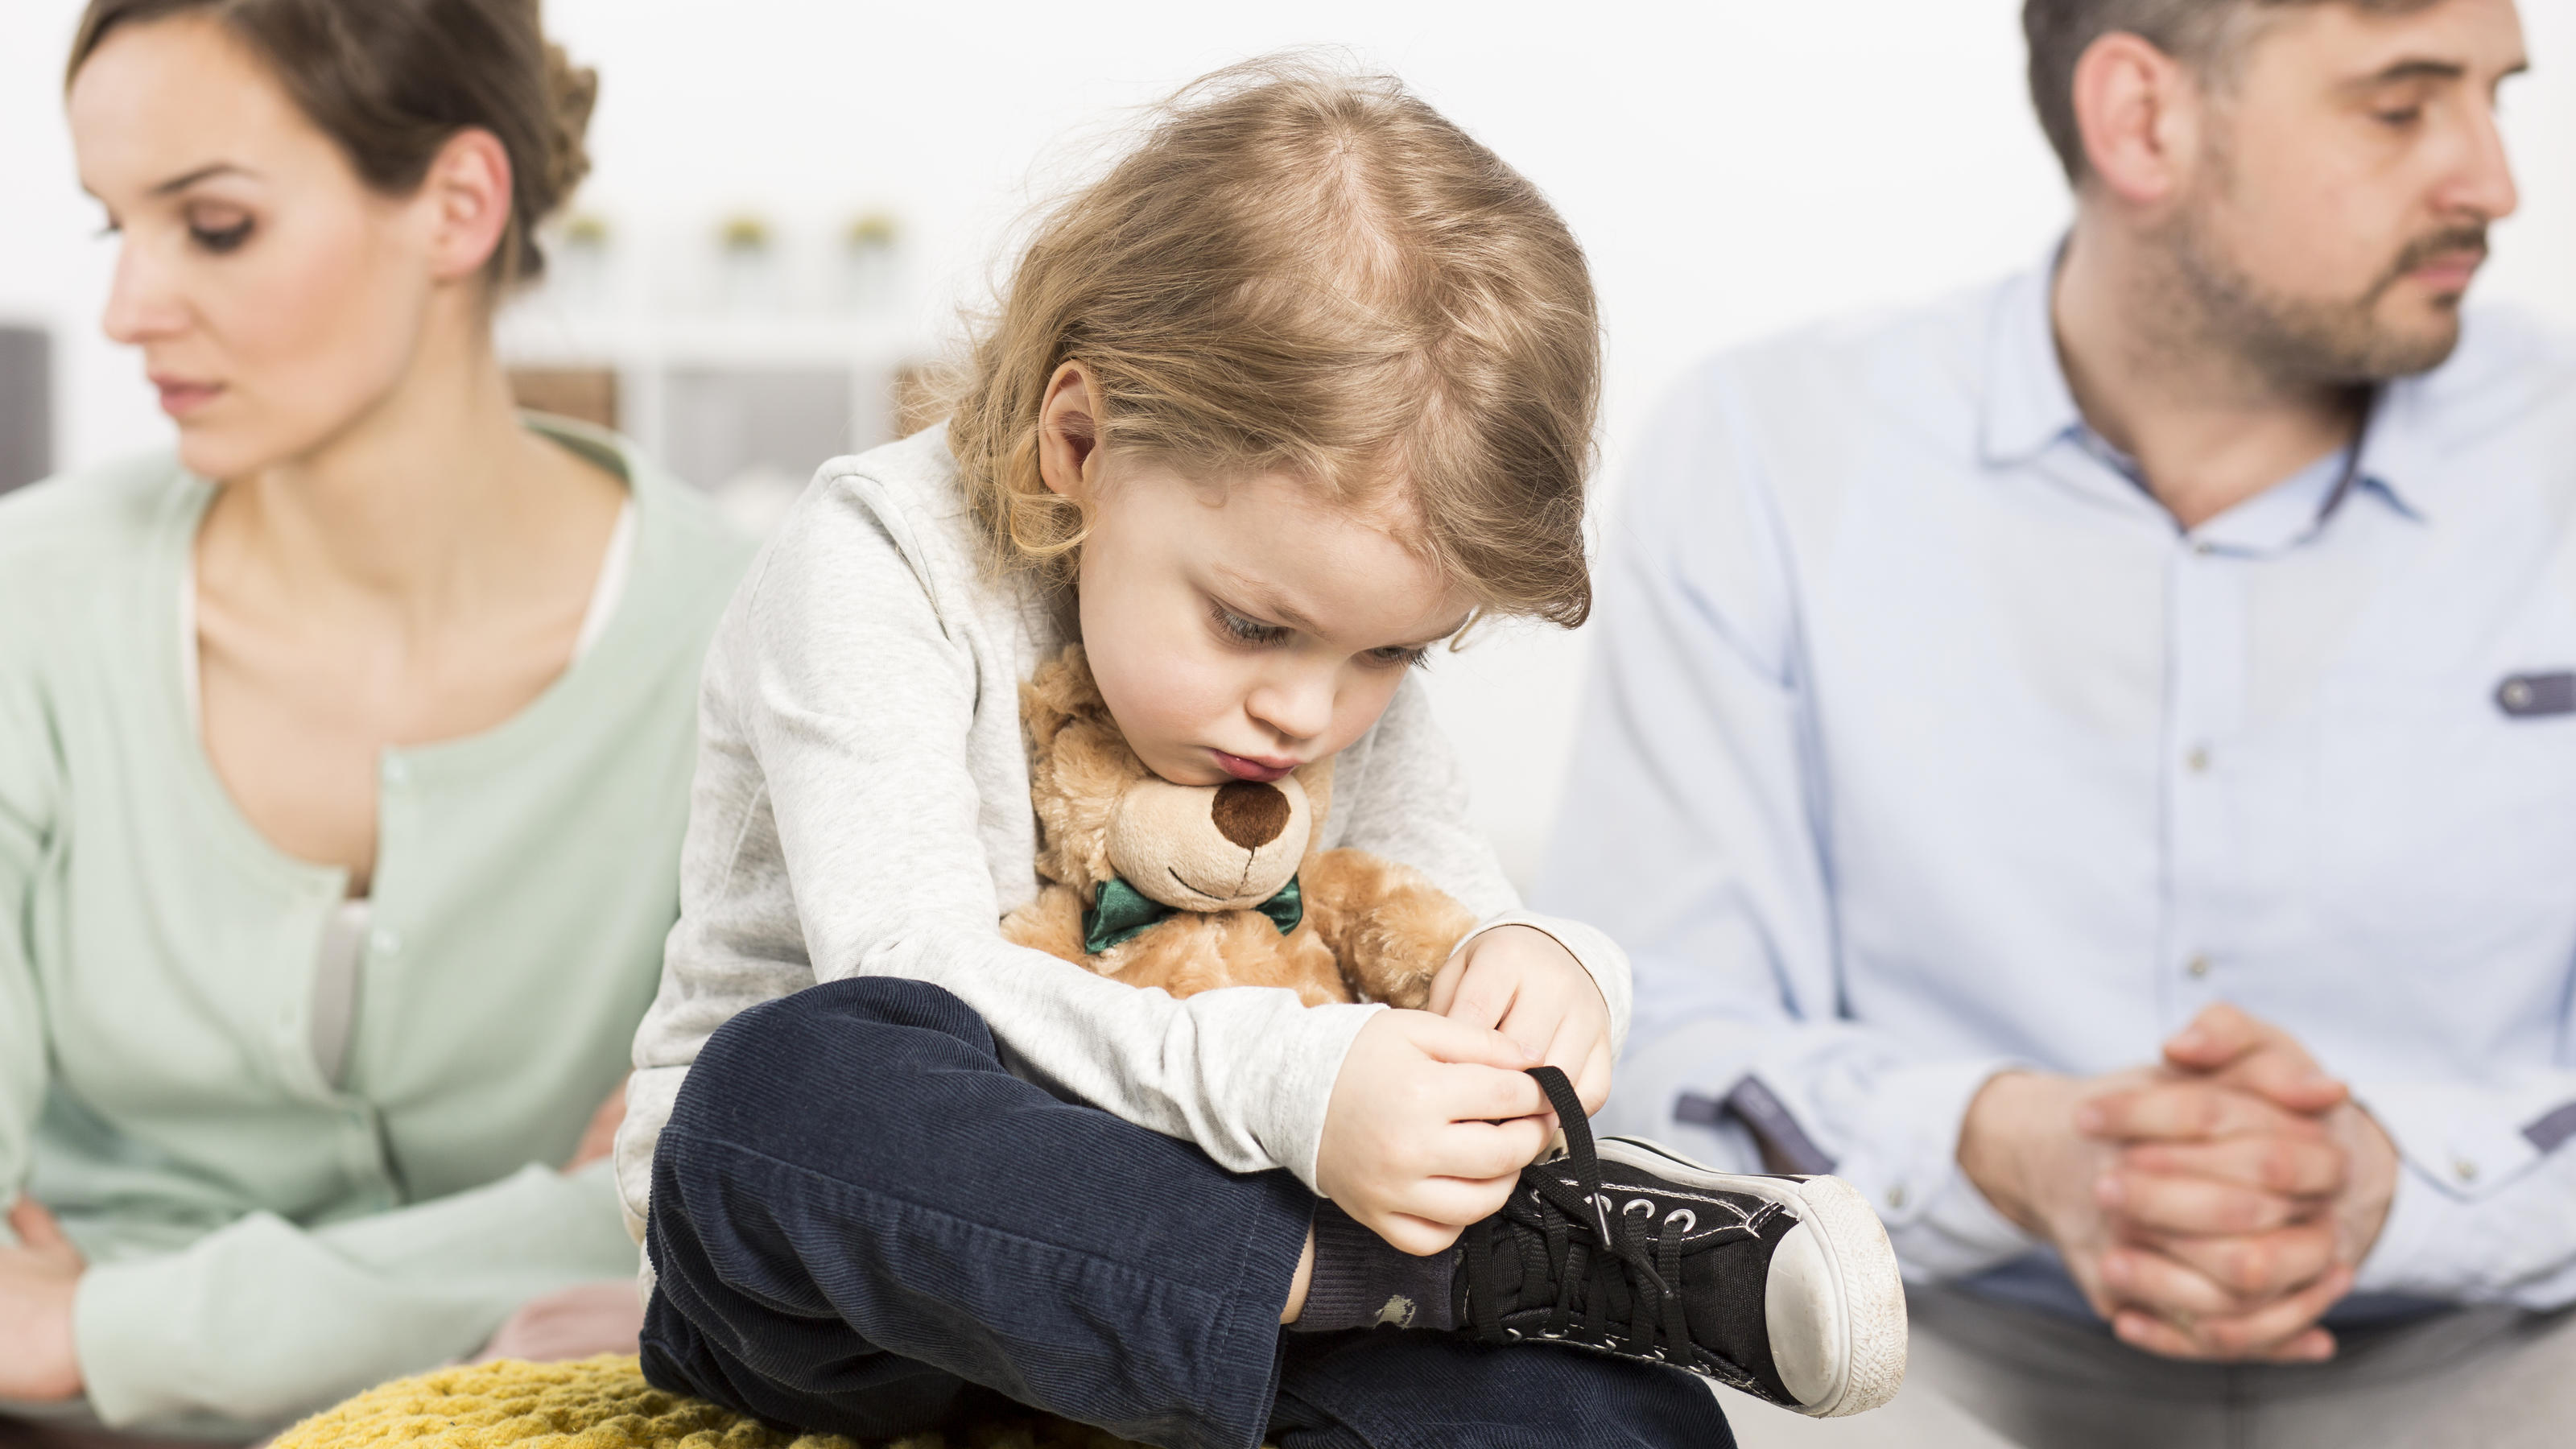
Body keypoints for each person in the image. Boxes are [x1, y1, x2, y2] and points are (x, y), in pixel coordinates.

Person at [618, 60, 1909, 1449]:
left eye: (1389, 657)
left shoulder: (1321, 644)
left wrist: (1544, 971)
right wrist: (1300, 1090)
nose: (1309, 713)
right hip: (872, 1282)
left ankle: (1443, 1283)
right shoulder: (877, 559)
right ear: (1079, 440)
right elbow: (912, 975)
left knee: (1614, 1420)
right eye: (1252, 626)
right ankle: (1420, 1275)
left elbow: (1425, 905)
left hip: (1238, 1282)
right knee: (788, 1091)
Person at [1543, 0, 2576, 1444]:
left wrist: (2400, 1181)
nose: (2495, 182)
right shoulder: (1771, 454)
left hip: (2507, 1341)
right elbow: (1647, 1030)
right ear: (2144, 120)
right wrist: (2009, 1147)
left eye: (2497, 97)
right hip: (1925, 1352)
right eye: (2403, 106)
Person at [0, 0, 752, 1437]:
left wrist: (94, 1322)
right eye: (115, 229)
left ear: (458, 205)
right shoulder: (27, 607)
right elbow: (621, 1214)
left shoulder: (753, 643)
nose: (126, 310)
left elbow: (734, 1225)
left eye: (212, 227)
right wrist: (530, 1226)